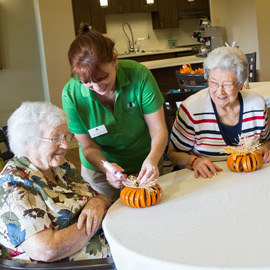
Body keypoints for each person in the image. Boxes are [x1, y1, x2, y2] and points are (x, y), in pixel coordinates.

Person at [62, 24, 168, 201]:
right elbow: (88, 146)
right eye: (87, 82)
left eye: (103, 78)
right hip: (101, 171)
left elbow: (158, 129)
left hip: (145, 162)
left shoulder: (139, 76)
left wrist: (152, 159)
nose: (97, 88)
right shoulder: (71, 94)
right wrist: (107, 169)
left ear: (114, 59)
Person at [0, 101, 111, 263]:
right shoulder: (14, 185)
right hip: (83, 264)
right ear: (27, 144)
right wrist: (95, 222)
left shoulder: (62, 167)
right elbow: (46, 250)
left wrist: (97, 204)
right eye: (55, 138)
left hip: (103, 245)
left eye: (66, 136)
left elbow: (102, 199)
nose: (66, 145)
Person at [167, 46, 270, 178]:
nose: (219, 91)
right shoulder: (192, 109)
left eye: (227, 84)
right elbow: (172, 153)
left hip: (250, 174)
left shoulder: (257, 105)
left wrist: (266, 148)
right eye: (213, 83)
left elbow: (267, 140)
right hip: (209, 178)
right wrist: (193, 161)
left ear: (240, 84)